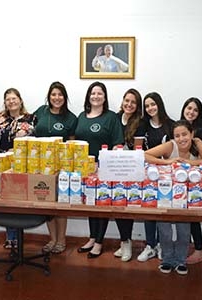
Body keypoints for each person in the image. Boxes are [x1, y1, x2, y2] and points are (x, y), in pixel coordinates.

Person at [145, 120, 202, 275]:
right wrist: (168, 161)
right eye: (177, 135)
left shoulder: (197, 143)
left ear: (192, 133)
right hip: (166, 193)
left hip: (187, 195)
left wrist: (190, 162)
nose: (181, 138)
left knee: (184, 228)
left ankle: (181, 260)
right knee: (164, 229)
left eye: (184, 134)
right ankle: (167, 259)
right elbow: (146, 155)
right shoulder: (171, 146)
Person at [75, 81, 124, 258]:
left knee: (101, 204)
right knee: (90, 203)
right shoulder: (81, 116)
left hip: (104, 168)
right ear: (89, 96)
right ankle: (92, 237)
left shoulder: (111, 117)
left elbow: (118, 144)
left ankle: (99, 242)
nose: (96, 96)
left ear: (105, 97)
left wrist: (104, 163)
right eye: (93, 93)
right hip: (85, 169)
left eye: (100, 93)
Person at [33, 81, 78, 254]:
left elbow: (72, 144)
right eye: (53, 94)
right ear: (49, 96)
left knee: (60, 205)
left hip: (62, 168)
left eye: (60, 95)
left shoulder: (71, 118)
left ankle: (62, 240)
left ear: (65, 97)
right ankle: (52, 239)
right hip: (41, 167)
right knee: (46, 203)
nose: (57, 98)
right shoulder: (40, 112)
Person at [0, 87, 36, 248]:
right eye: (8, 99)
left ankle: (19, 237)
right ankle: (10, 237)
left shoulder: (31, 118)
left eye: (14, 98)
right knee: (6, 201)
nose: (11, 101)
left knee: (19, 201)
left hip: (22, 164)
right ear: (4, 102)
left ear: (20, 100)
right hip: (3, 163)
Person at [137, 92, 175, 262]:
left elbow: (175, 150)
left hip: (167, 174)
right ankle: (150, 245)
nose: (150, 108)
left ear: (159, 104)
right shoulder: (142, 125)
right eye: (147, 106)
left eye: (153, 104)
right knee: (148, 207)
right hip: (147, 173)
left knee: (163, 209)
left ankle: (162, 244)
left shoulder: (171, 125)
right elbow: (139, 151)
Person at [113, 88, 145, 262]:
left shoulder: (139, 122)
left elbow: (138, 150)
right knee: (117, 206)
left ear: (137, 105)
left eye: (133, 102)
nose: (129, 104)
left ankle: (127, 242)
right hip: (115, 169)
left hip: (131, 169)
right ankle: (124, 241)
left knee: (127, 207)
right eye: (127, 100)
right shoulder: (115, 118)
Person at [180, 97, 202, 265]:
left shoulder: (201, 133)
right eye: (188, 108)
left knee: (194, 216)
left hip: (196, 180)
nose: (191, 112)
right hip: (180, 179)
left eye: (195, 110)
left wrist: (191, 163)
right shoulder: (178, 128)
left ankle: (199, 250)